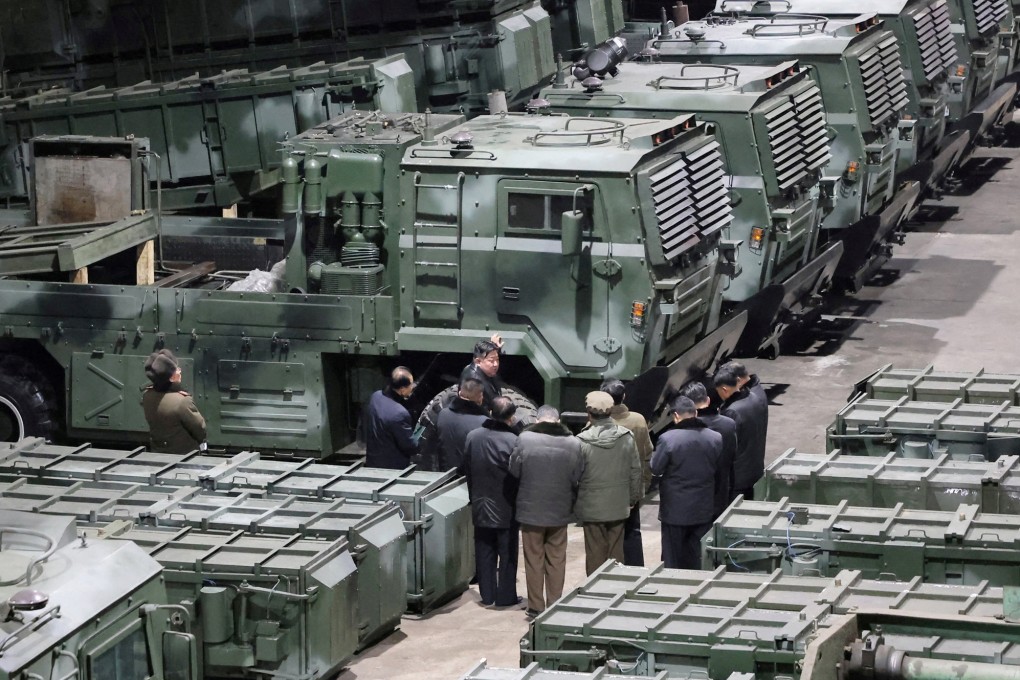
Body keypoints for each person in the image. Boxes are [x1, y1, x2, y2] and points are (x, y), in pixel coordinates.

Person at [509, 405, 584, 619]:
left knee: (533, 559)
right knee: (557, 559)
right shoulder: (574, 443)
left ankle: (535, 606)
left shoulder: (524, 439)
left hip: (531, 510)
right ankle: (554, 604)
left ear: (537, 420)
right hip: (560, 510)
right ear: (558, 421)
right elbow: (577, 475)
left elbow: (514, 470)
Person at [574, 391, 643, 576]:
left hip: (591, 506)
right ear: (611, 411)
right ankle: (615, 587)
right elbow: (635, 471)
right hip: (618, 504)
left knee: (594, 553)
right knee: (616, 553)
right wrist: (632, 498)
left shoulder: (580, 441)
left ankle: (594, 590)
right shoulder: (626, 437)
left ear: (589, 413)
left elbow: (575, 475)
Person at [650, 395, 722, 569]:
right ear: (695, 413)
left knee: (673, 559)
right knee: (699, 557)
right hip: (703, 508)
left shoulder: (668, 439)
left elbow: (656, 468)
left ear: (675, 416)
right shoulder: (715, 438)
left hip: (675, 511)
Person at [463, 396, 521, 607]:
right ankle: (506, 597)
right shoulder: (514, 441)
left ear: (490, 412)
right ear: (511, 417)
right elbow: (517, 475)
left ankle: (487, 595)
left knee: (484, 550)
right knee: (507, 554)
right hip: (507, 506)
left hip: (480, 502)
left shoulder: (473, 436)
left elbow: (467, 469)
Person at [601, 379, 653, 566]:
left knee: (606, 533)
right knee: (632, 531)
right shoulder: (638, 420)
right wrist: (644, 484)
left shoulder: (598, 421)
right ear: (624, 396)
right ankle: (635, 570)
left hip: (605, 488)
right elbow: (647, 453)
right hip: (632, 486)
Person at [681, 381, 737, 519]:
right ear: (708, 400)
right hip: (721, 493)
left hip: (693, 499)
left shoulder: (683, 430)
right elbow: (732, 457)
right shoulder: (729, 425)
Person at [713, 364, 768, 501]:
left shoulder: (732, 412)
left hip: (737, 480)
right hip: (755, 471)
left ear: (724, 389)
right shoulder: (755, 397)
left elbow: (725, 448)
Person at [142, 349, 207, 455]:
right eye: (176, 369)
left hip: (157, 452)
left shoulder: (147, 396)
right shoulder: (182, 401)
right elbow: (200, 428)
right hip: (184, 455)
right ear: (171, 378)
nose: (180, 371)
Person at [362, 367, 417, 469]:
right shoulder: (399, 413)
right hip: (392, 468)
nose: (413, 386)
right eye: (411, 384)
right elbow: (410, 447)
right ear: (402, 389)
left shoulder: (375, 396)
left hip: (373, 462)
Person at [436, 378, 488, 472]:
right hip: (469, 477)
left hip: (445, 474)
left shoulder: (443, 414)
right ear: (480, 397)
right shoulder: (484, 422)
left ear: (459, 393)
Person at [460, 333, 505, 409]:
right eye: (491, 361)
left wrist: (494, 345)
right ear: (478, 361)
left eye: (497, 360)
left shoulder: (482, 369)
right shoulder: (475, 381)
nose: (496, 364)